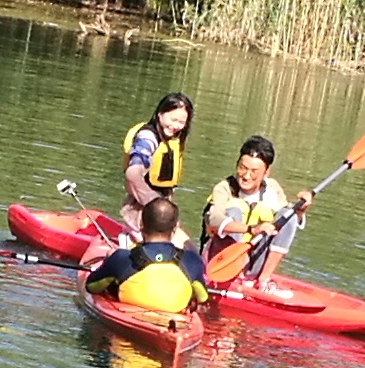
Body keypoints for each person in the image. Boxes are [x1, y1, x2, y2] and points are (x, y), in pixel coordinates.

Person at [83, 193, 209, 316]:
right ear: (175, 229)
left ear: (141, 225)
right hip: (173, 320)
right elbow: (203, 297)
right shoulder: (191, 260)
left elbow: (91, 286)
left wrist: (108, 263)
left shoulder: (122, 257)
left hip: (129, 315)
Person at [201, 135, 292, 276]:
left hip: (254, 262)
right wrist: (250, 229)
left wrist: (301, 209)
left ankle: (263, 280)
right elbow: (213, 220)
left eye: (254, 172)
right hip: (220, 262)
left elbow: (287, 222)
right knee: (234, 212)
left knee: (289, 216)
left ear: (266, 172)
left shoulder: (273, 189)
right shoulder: (224, 188)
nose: (246, 176)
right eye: (243, 168)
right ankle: (233, 275)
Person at [120, 91, 194, 231]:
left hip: (164, 210)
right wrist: (153, 202)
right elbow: (133, 173)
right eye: (173, 120)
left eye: (181, 122)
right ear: (160, 113)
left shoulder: (174, 139)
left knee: (187, 245)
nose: (176, 126)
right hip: (141, 211)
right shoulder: (147, 138)